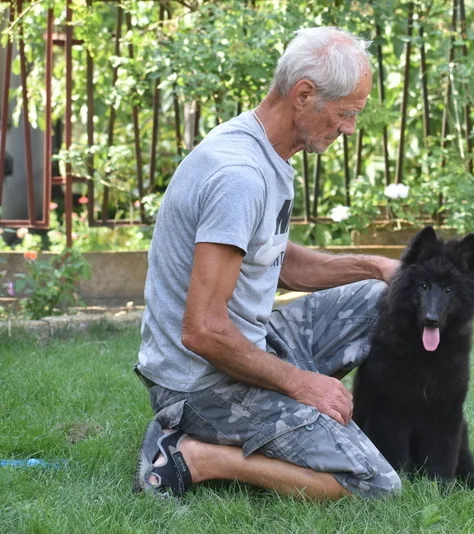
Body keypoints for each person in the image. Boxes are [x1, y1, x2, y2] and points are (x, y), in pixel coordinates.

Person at [131, 26, 402, 501]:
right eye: (346, 114)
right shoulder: (240, 174)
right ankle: (194, 454)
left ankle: (367, 425)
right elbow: (202, 331)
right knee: (375, 486)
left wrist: (375, 266)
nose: (350, 128)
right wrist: (304, 385)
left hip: (247, 342)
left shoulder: (265, 148)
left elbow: (279, 261)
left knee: (386, 299)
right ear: (304, 95)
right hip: (199, 383)